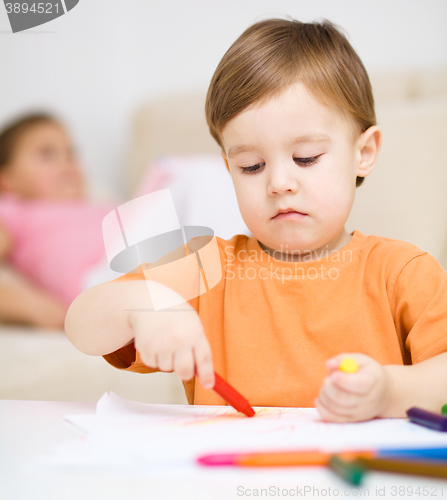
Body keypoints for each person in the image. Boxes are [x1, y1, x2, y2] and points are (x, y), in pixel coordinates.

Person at [65, 18, 447, 422]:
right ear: (228, 167)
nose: (279, 183)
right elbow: (80, 323)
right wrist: (144, 304)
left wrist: (388, 393)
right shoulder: (208, 268)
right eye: (252, 166)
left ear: (364, 152)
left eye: (306, 158)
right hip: (226, 479)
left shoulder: (402, 272)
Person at [0, 113, 118, 328]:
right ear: (8, 180)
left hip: (149, 245)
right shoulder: (13, 211)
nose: (67, 163)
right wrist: (30, 306)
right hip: (106, 281)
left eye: (71, 154)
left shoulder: (99, 204)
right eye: (47, 154)